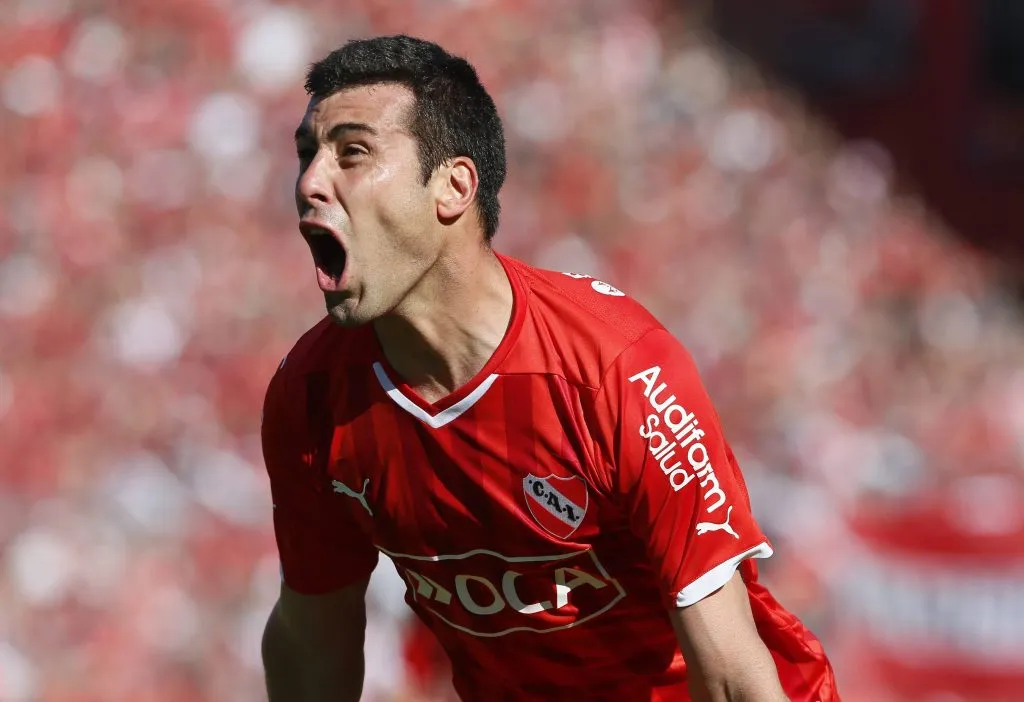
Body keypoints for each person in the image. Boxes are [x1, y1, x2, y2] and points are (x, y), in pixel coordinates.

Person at [260, 34, 840, 702]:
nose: (308, 182)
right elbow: (314, 635)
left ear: (452, 187)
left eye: (352, 153)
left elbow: (734, 676)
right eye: (307, 155)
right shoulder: (311, 397)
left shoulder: (616, 370)